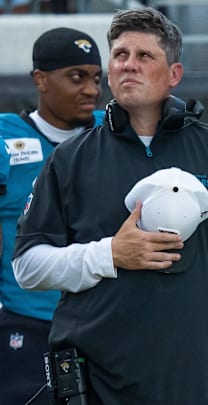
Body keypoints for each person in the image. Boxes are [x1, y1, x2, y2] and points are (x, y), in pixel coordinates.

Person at [12, 7, 208, 405]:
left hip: (197, 385)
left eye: (144, 56)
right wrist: (109, 254)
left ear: (174, 74)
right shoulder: (71, 158)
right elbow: (27, 265)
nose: (129, 66)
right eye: (120, 55)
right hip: (96, 388)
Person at [0, 26, 104, 405]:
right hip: (28, 324)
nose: (91, 90)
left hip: (102, 324)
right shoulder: (5, 139)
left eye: (96, 78)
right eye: (77, 77)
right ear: (40, 80)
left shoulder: (112, 135)